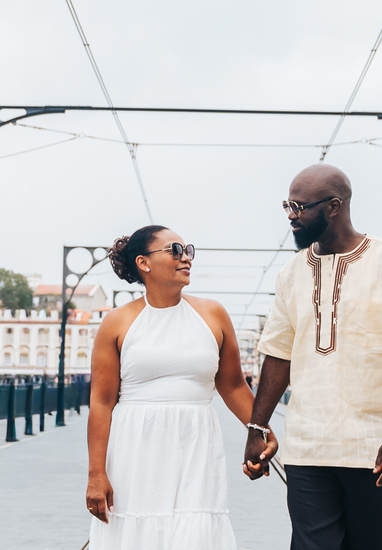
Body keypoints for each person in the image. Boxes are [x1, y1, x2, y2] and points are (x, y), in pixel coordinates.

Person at [243, 164, 382, 550]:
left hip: (371, 451)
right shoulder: (290, 274)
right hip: (306, 449)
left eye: (299, 207)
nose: (290, 216)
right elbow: (277, 356)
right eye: (287, 206)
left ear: (334, 207)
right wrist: (257, 428)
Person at [86, 225, 278, 549]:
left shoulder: (213, 314)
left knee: (195, 531)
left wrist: (261, 431)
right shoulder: (117, 323)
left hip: (196, 441)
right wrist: (95, 474)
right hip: (135, 445)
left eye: (188, 250)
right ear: (144, 263)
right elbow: (101, 404)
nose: (186, 257)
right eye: (174, 250)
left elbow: (232, 386)